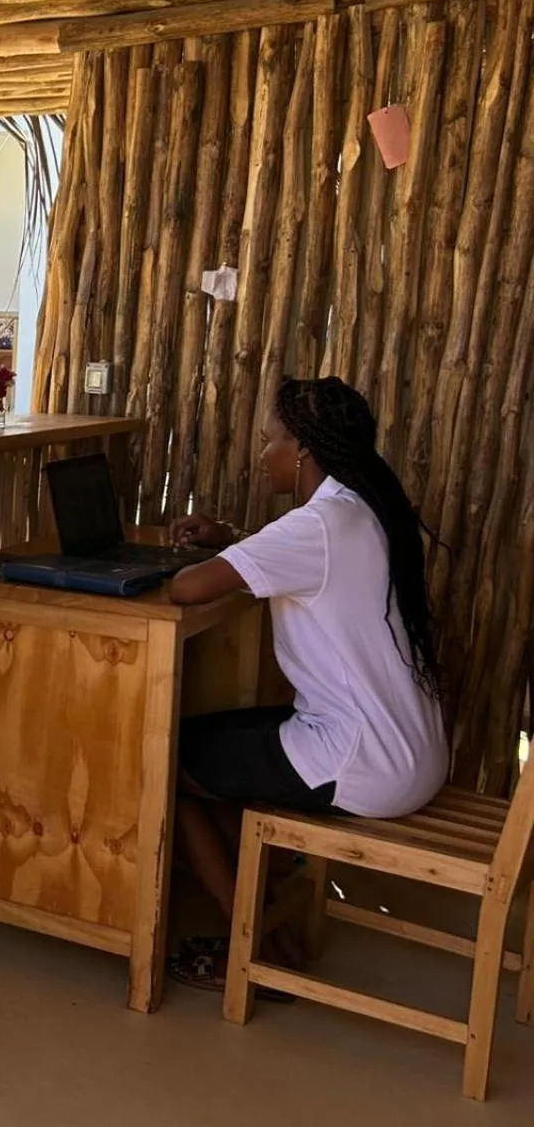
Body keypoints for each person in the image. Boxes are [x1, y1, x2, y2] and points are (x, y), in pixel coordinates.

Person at [163, 376, 447, 991]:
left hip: (362, 762)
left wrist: (208, 557)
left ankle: (261, 956)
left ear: (304, 451)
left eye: (270, 443)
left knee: (169, 761)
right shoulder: (364, 506)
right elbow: (302, 558)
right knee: (216, 752)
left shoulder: (315, 525)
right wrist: (231, 542)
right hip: (408, 749)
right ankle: (270, 927)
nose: (262, 456)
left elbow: (187, 589)